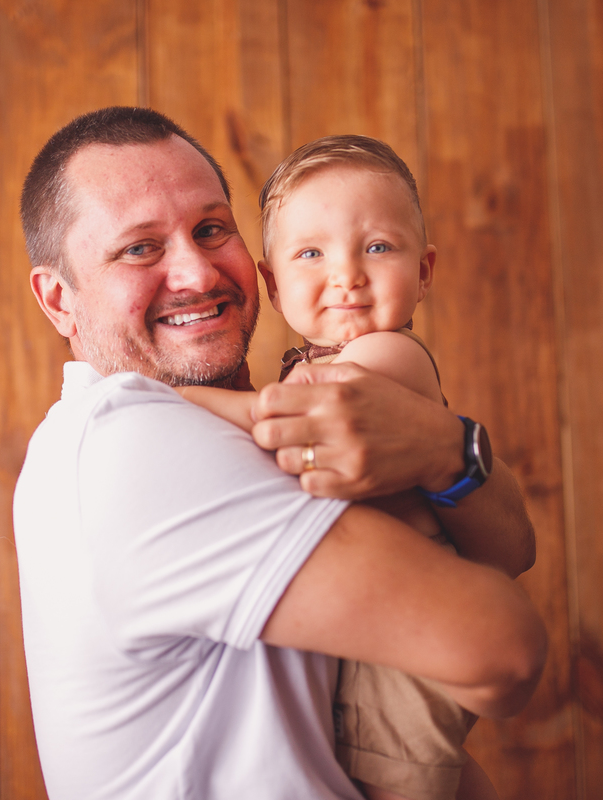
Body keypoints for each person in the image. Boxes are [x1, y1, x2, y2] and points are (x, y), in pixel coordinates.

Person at [14, 106, 547, 799]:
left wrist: (447, 449)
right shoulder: (127, 436)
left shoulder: (269, 420)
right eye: (139, 248)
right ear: (58, 299)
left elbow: (515, 548)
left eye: (211, 230)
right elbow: (502, 648)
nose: (197, 273)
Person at [177, 135, 531, 800]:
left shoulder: (388, 359)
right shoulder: (315, 363)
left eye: (377, 247)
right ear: (274, 283)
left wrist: (173, 400)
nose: (347, 274)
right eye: (312, 253)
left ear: (424, 272)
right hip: (366, 635)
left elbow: (280, 421)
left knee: (393, 777)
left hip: (403, 652)